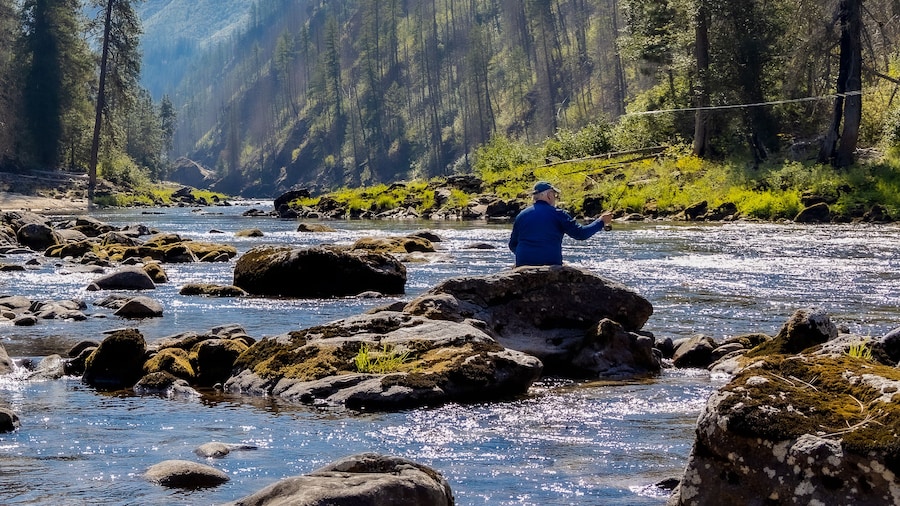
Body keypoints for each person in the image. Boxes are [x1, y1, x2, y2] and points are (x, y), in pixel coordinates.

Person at [508, 181, 613, 267]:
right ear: (549, 195)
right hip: (550, 263)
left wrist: (529, 255)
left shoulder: (521, 215)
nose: (555, 198)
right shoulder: (558, 214)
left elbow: (512, 245)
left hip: (523, 263)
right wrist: (601, 221)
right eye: (554, 195)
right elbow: (581, 234)